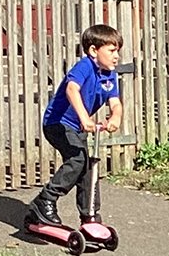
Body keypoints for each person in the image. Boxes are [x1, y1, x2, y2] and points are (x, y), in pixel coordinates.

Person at [27, 24, 124, 232]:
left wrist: (115, 117)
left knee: (89, 166)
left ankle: (90, 215)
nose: (116, 56)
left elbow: (115, 103)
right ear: (93, 51)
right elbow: (72, 90)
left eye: (118, 51)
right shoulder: (85, 66)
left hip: (77, 127)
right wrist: (85, 118)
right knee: (78, 159)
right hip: (57, 123)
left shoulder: (110, 75)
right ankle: (45, 200)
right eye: (112, 50)